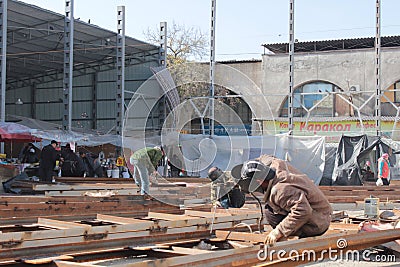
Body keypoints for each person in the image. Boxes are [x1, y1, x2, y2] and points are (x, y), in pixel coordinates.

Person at [231, 155, 332, 246]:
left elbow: (303, 211)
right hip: (317, 210)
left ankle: (296, 236)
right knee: (270, 209)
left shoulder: (280, 190)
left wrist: (278, 232)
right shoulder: (274, 164)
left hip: (318, 222)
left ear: (259, 181)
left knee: (270, 213)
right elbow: (264, 158)